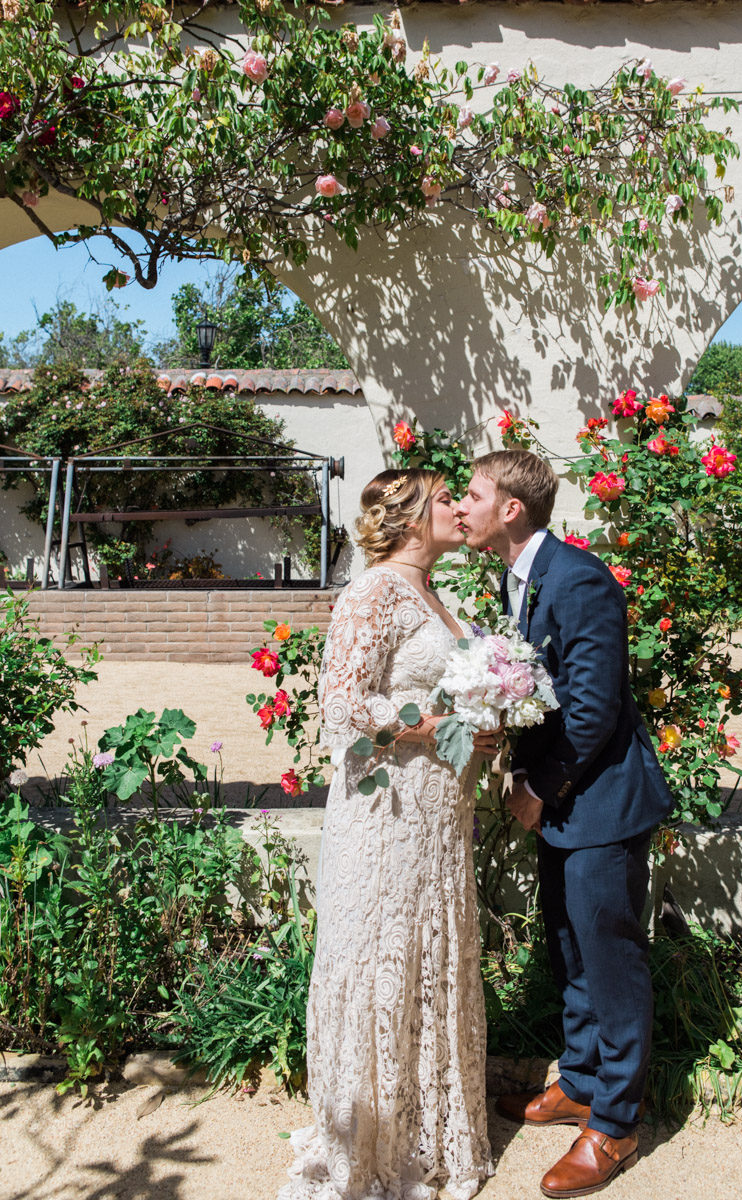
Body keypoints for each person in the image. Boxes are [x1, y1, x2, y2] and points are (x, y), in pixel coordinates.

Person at [455, 450, 673, 1199]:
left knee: (609, 959)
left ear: (511, 508)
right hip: (564, 803)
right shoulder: (516, 576)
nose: (463, 504)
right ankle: (579, 1082)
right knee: (570, 944)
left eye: (474, 493)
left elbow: (592, 706)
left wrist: (540, 787)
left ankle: (615, 1121)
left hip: (601, 802)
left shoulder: (580, 579)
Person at [279, 468, 497, 1200]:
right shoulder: (372, 590)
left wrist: (487, 719)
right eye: (445, 500)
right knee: (382, 952)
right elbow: (341, 702)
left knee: (429, 950)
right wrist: (436, 727)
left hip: (439, 811)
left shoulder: (433, 591)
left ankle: (428, 1127)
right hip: (387, 811)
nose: (459, 509)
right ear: (407, 517)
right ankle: (370, 1140)